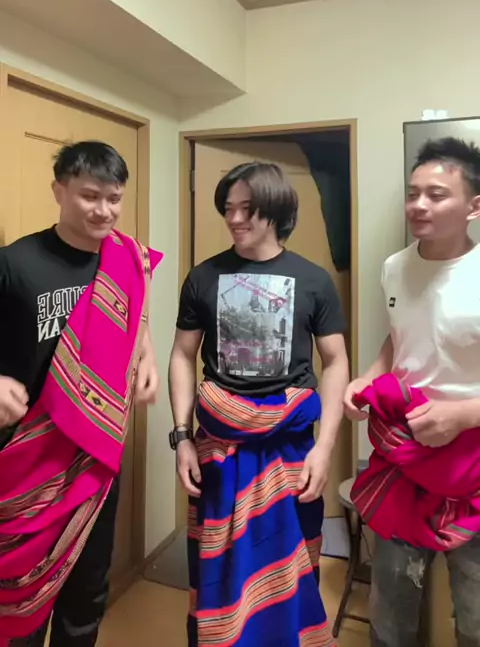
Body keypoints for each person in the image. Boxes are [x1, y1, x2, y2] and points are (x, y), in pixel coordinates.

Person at [168, 161, 349, 647]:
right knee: (215, 575)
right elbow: (182, 355)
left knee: (295, 567)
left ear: (276, 209)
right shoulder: (203, 277)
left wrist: (324, 448)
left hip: (292, 452)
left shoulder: (313, 280)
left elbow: (336, 362)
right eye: (228, 208)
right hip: (217, 451)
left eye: (247, 209)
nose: (234, 219)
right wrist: (181, 438)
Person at [0, 141, 162, 647]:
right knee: (19, 601)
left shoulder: (127, 260)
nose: (104, 211)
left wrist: (148, 355)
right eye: (90, 196)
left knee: (86, 598)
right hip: (25, 463)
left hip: (95, 460)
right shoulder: (15, 263)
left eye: (114, 199)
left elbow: (135, 322)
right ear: (59, 191)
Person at [344, 137, 480, 647]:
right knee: (391, 612)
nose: (419, 205)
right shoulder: (394, 267)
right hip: (403, 454)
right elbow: (399, 337)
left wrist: (463, 414)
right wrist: (368, 376)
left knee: (476, 616)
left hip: (474, 461)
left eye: (437, 195)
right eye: (412, 193)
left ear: (474, 207)